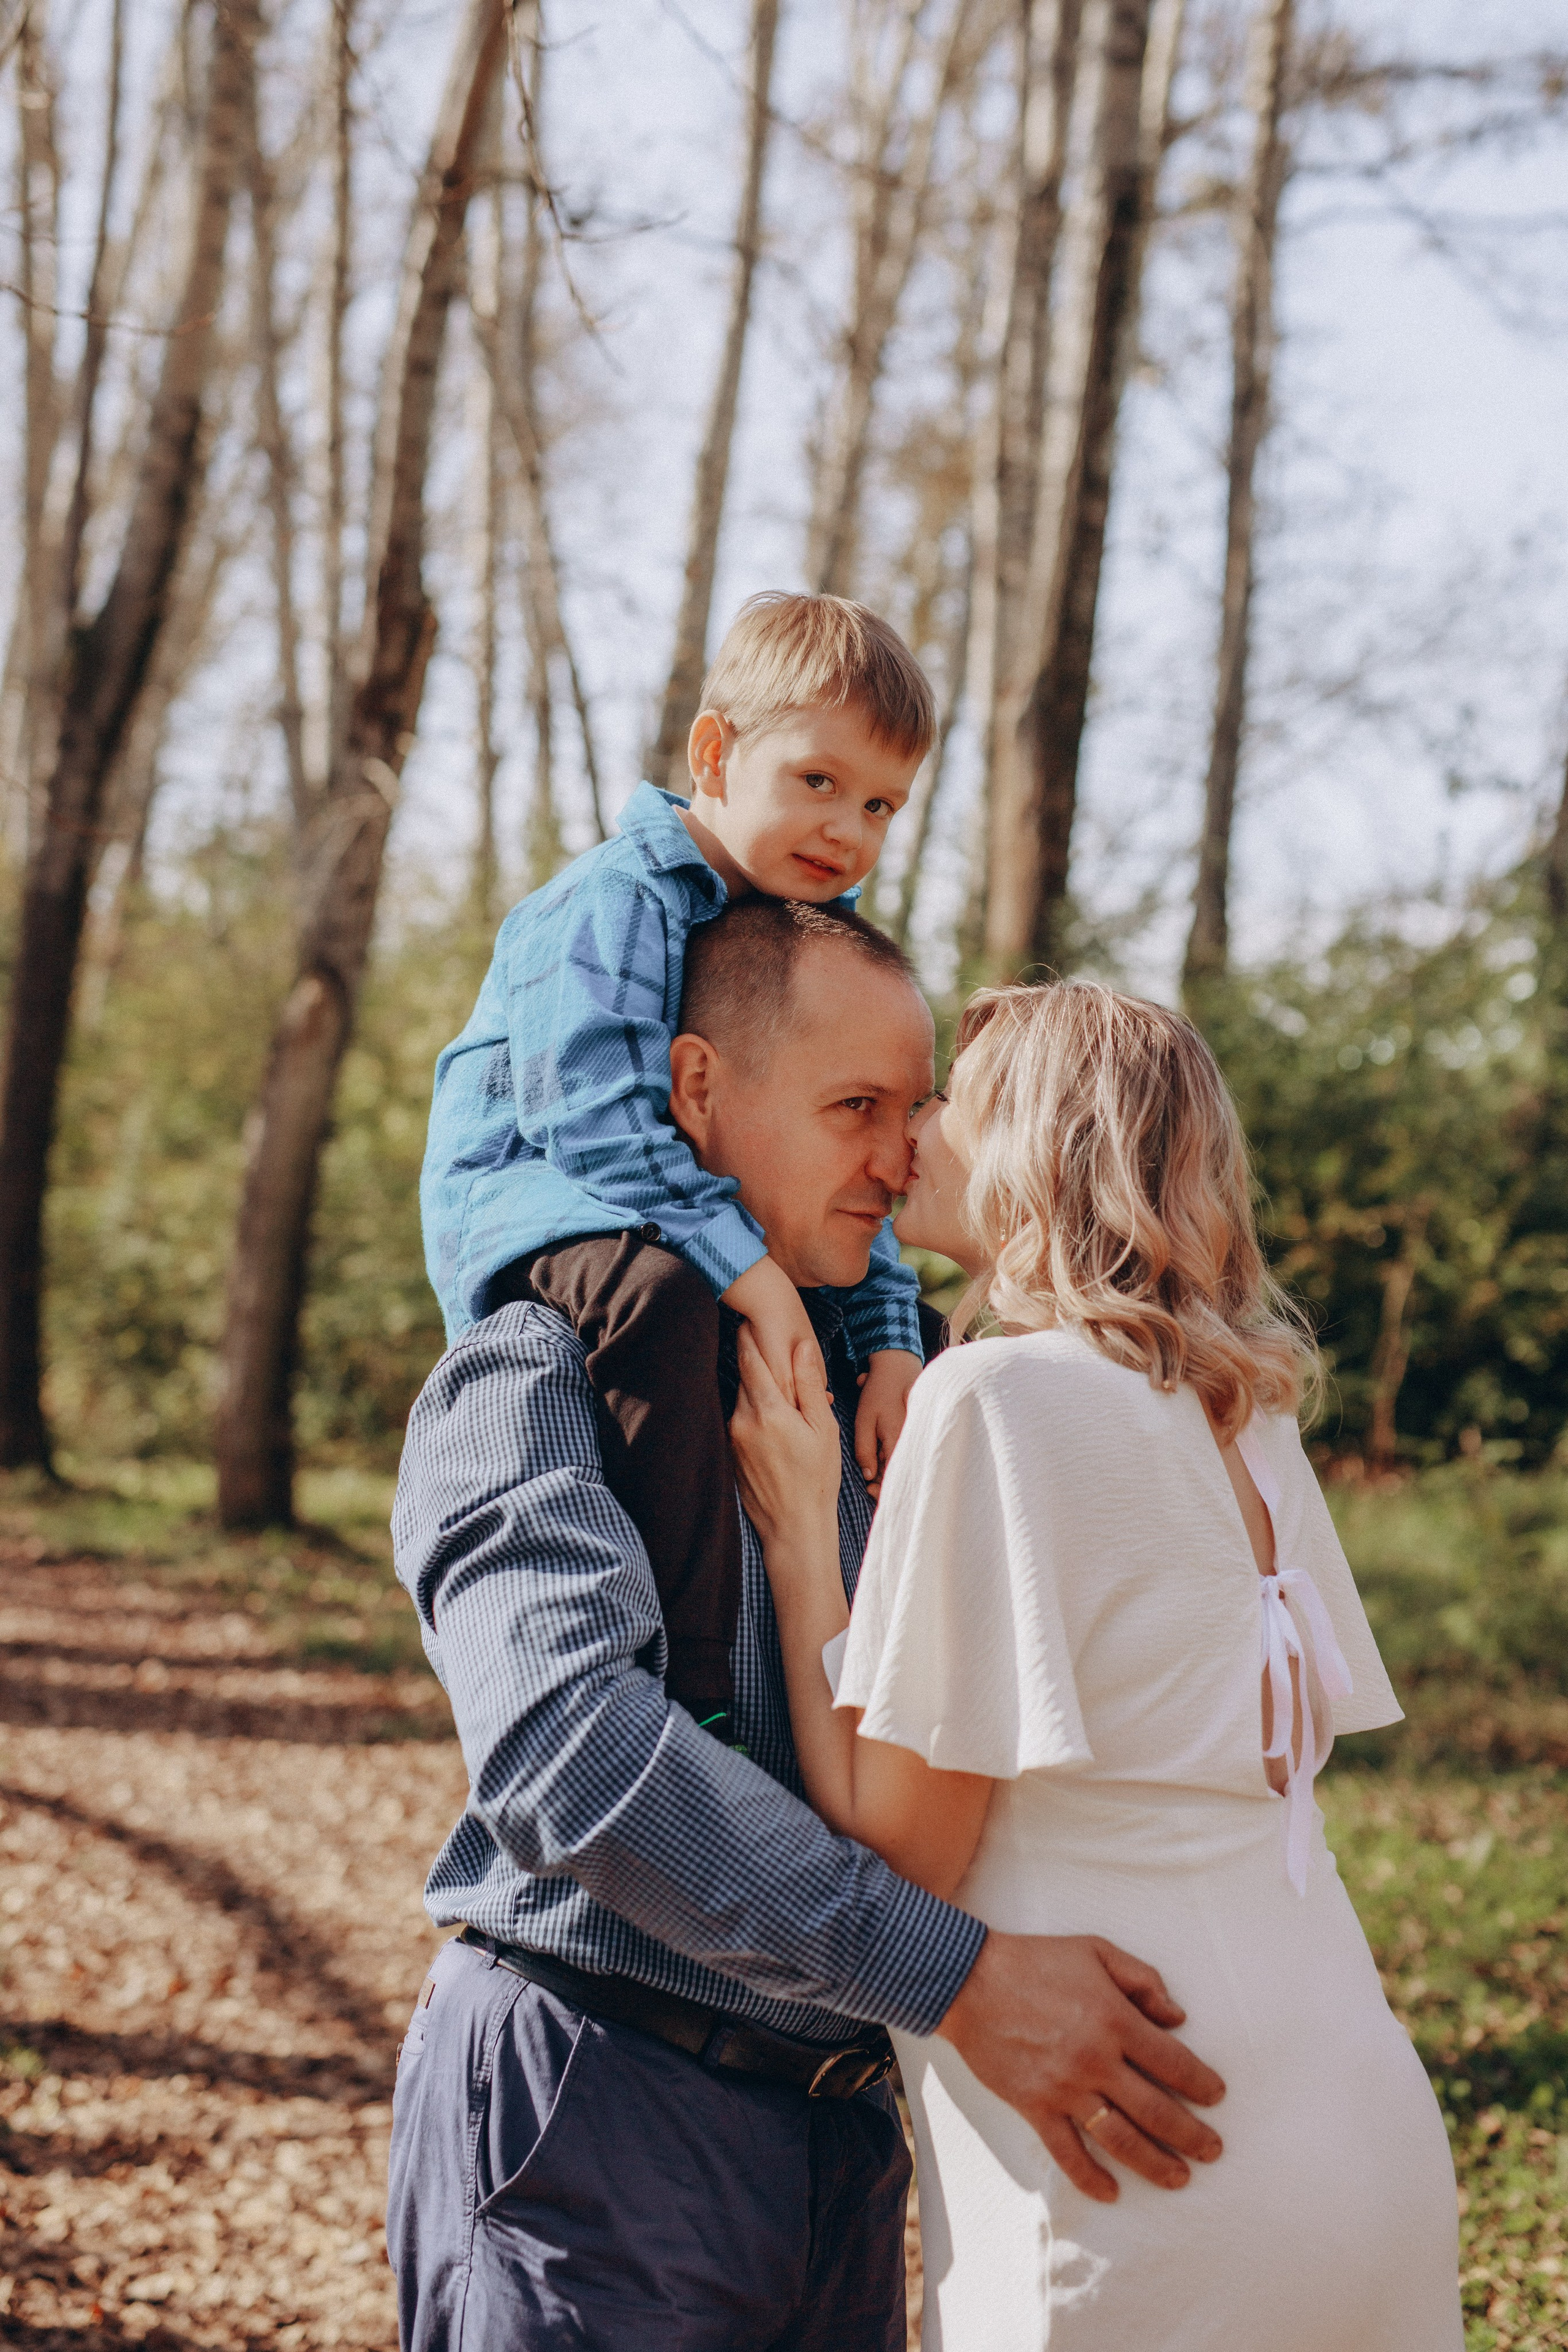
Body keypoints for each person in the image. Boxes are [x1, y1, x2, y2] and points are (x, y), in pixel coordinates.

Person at [388, 906, 1225, 2352]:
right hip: (599, 2112)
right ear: (695, 1091)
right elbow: (571, 1763)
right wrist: (953, 1975)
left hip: (847, 2145)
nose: (901, 1158)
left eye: (915, 1113)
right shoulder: (536, 1365)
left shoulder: (891, 1401)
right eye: (855, 1109)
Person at [729, 977, 1463, 2352]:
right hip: (1349, 2116)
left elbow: (905, 1856)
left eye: (950, 1098)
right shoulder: (1246, 1413)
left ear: (1033, 1143)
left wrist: (798, 1543)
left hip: (1130, 2153)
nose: (914, 1132)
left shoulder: (991, 1397)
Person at [420, 590, 935, 1742]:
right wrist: (750, 1275)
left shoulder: (785, 930)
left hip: (668, 1207)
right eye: (819, 781)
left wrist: (893, 1337)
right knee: (665, 1301)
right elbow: (594, 1121)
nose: (847, 829)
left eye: (881, 805)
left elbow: (859, 1166)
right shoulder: (613, 899)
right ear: (715, 751)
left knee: (888, 1333)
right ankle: (689, 1672)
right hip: (541, 1203)